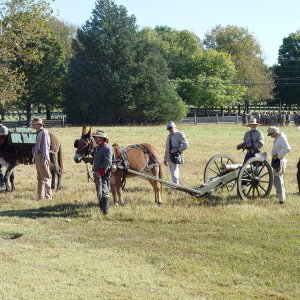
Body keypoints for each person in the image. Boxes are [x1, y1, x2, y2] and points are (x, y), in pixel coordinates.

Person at [267, 126, 291, 204]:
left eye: (271, 134)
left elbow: (288, 148)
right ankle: (281, 197)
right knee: (278, 180)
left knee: (278, 181)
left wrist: (278, 155)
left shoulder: (281, 137)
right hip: (277, 161)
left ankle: (281, 200)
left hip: (279, 161)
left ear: (275, 132)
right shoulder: (279, 137)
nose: (271, 136)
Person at [92, 130, 114, 215]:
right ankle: (102, 208)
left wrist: (100, 172)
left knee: (104, 191)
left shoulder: (106, 147)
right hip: (98, 173)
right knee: (99, 191)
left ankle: (105, 211)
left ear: (101, 138)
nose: (95, 138)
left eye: (96, 137)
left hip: (104, 174)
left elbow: (108, 162)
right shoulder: (98, 147)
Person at [31, 117, 52, 200]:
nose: (33, 126)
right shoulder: (38, 132)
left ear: (39, 124)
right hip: (37, 156)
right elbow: (37, 145)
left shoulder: (44, 133)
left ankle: (48, 196)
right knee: (39, 177)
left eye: (34, 124)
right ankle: (40, 196)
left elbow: (46, 146)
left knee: (46, 176)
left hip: (42, 156)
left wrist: (45, 158)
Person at [0, 122, 9, 189]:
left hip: (3, 150)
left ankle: (3, 183)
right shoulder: (3, 128)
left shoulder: (3, 128)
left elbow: (3, 140)